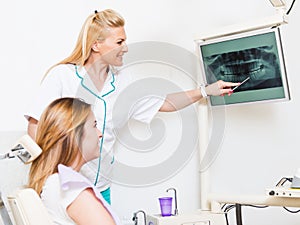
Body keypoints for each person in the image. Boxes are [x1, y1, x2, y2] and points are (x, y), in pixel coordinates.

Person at [24, 9, 239, 204]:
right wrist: (46, 175)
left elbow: (164, 103)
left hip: (100, 188)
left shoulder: (123, 81)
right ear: (96, 45)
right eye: (119, 42)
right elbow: (36, 124)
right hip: (62, 184)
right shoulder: (63, 77)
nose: (125, 48)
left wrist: (205, 91)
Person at [27, 97, 121, 225]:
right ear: (75, 136)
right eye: (94, 126)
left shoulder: (54, 182)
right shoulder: (72, 189)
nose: (100, 133)